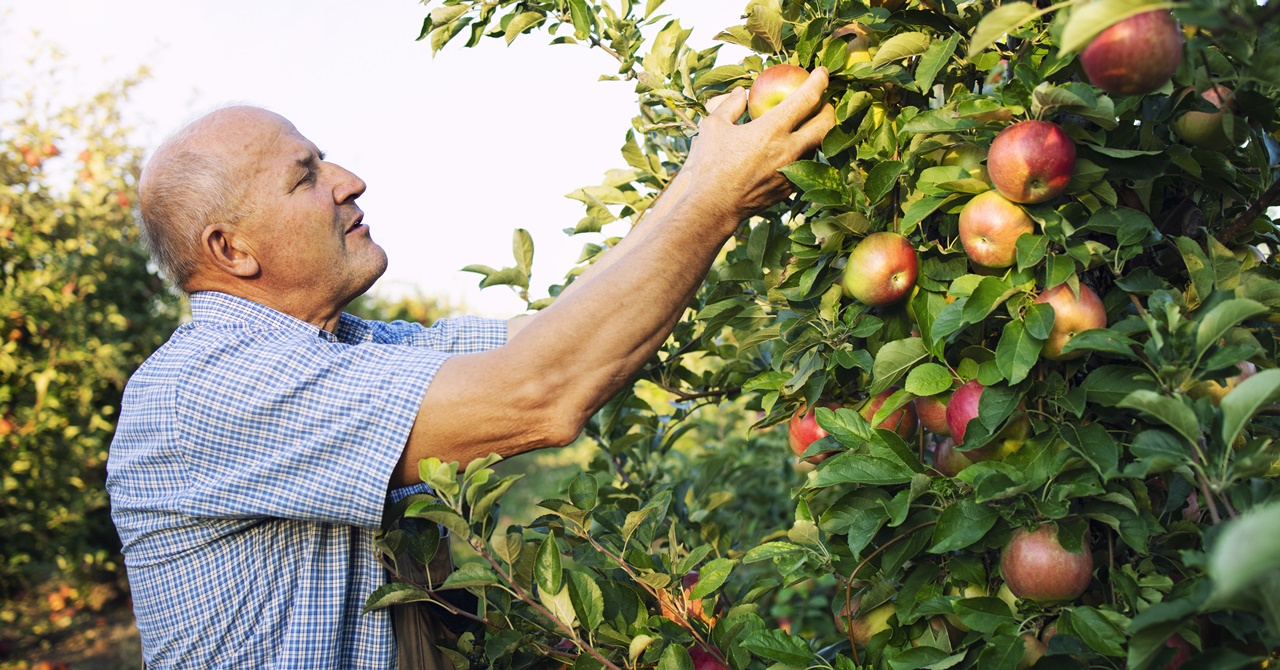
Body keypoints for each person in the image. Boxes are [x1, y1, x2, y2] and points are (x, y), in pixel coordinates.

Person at [106, 68, 835, 668]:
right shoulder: (204, 388)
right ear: (232, 251)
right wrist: (714, 195)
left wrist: (703, 177)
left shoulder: (352, 351)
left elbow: (548, 335)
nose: (350, 180)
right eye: (305, 176)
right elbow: (539, 393)